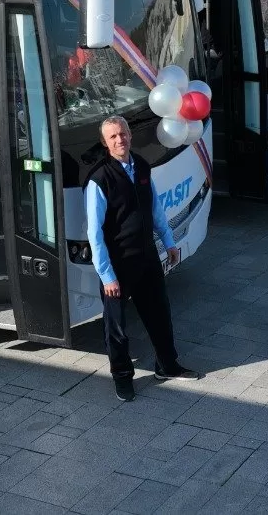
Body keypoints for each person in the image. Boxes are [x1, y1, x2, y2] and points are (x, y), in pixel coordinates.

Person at [84, 116, 203, 402]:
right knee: (117, 327)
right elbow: (94, 232)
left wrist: (169, 242)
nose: (120, 140)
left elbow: (156, 209)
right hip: (118, 263)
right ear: (105, 143)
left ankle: (167, 365)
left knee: (159, 313)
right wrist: (107, 275)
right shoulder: (99, 179)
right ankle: (122, 377)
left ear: (130, 136)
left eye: (123, 134)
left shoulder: (142, 166)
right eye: (113, 137)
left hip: (147, 255)